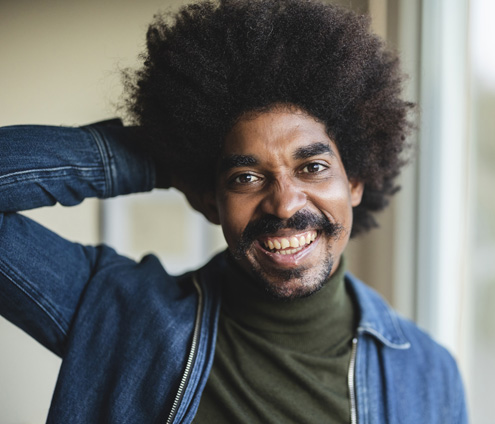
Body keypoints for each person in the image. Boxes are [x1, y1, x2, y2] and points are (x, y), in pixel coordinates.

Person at [0, 0, 467, 422]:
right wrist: (161, 155)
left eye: (313, 167)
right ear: (209, 201)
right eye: (245, 177)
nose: (285, 203)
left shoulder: (428, 373)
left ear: (356, 181)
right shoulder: (120, 314)